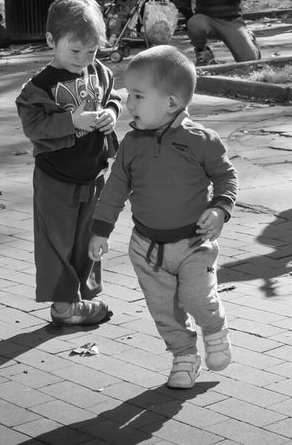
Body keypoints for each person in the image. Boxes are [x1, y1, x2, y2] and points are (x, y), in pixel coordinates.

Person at [88, 45, 237, 390]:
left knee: (198, 299)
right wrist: (100, 231)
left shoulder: (201, 140)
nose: (129, 105)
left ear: (170, 103)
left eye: (138, 96)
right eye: (129, 96)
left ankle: (214, 330)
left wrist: (220, 207)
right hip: (146, 247)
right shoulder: (132, 144)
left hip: (193, 244)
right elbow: (114, 190)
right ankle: (183, 356)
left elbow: (226, 176)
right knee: (164, 311)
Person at [16, 0, 120, 326]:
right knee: (56, 243)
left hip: (93, 173)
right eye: (75, 51)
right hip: (55, 179)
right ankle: (63, 305)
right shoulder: (39, 86)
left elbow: (113, 95)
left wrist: (112, 113)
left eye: (91, 50)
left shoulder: (98, 70)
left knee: (89, 239)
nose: (83, 58)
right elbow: (33, 126)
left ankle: (84, 297)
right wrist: (71, 122)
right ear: (51, 41)